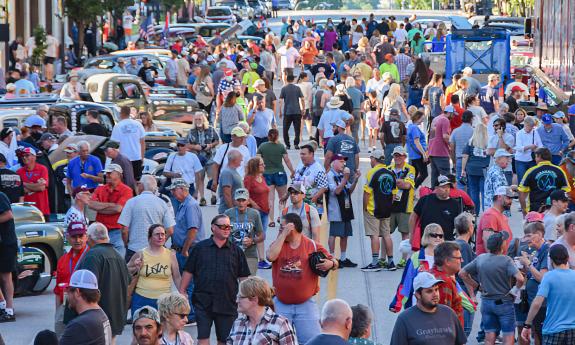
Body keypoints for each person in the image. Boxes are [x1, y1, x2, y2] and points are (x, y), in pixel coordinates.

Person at [179, 214, 251, 345]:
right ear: (213, 228)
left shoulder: (236, 251)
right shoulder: (200, 248)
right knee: (203, 338)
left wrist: (246, 299)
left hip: (228, 303)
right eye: (223, 226)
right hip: (202, 302)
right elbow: (188, 271)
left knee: (224, 340)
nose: (226, 229)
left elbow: (244, 278)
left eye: (229, 227)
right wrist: (182, 292)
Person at [267, 213, 337, 344]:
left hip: (306, 306)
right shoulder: (279, 243)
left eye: (282, 227)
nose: (279, 230)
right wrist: (282, 234)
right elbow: (270, 257)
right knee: (276, 341)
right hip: (280, 304)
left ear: (291, 228)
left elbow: (334, 262)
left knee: (312, 342)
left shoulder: (312, 245)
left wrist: (331, 264)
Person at [459, 232, 525, 345]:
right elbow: (520, 279)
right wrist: (514, 291)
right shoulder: (506, 260)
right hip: (504, 302)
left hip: (486, 302)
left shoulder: (481, 258)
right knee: (508, 335)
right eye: (504, 241)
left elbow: (462, 273)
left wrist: (478, 286)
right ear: (501, 245)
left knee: (489, 335)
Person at [72, 223, 130, 343]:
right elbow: (128, 281)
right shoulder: (118, 256)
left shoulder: (92, 256)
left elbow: (86, 289)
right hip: (115, 318)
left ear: (90, 238)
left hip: (97, 320)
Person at [390, 272, 467, 345]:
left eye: (436, 289)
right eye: (429, 291)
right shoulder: (404, 319)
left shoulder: (449, 313)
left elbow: (460, 342)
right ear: (418, 295)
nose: (435, 294)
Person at [522, 245, 575, 344]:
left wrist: (527, 325)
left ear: (551, 260)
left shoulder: (548, 277)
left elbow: (537, 303)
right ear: (567, 258)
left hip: (553, 329)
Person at [126, 224, 181, 315]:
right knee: (141, 327)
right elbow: (126, 271)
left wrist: (183, 293)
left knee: (161, 328)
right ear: (150, 237)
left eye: (163, 234)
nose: (160, 237)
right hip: (141, 299)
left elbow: (177, 277)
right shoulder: (141, 253)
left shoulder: (170, 255)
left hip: (164, 301)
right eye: (157, 234)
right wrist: (135, 267)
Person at [227, 276, 298, 344]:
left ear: (254, 299)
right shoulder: (237, 323)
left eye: (240, 297)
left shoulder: (280, 323)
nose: (237, 301)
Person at [361, 149, 397, 272]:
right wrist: (388, 206)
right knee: (386, 235)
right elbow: (393, 194)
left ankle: (375, 262)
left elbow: (367, 193)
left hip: (373, 209)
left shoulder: (372, 173)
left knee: (374, 236)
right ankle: (391, 262)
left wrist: (365, 208)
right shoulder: (390, 173)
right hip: (386, 209)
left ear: (373, 159)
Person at [87, 164, 133, 257]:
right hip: (100, 231)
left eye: (110, 173)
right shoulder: (100, 188)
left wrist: (100, 208)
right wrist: (111, 206)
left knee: (118, 261)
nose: (107, 175)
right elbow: (91, 204)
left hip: (117, 231)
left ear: (119, 174)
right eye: (106, 173)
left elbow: (118, 208)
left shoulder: (126, 190)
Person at [54, 222, 89, 336]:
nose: (77, 240)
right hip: (65, 306)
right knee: (61, 337)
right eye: (74, 236)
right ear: (68, 237)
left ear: (86, 237)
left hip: (84, 307)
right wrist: (58, 312)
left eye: (80, 236)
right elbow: (58, 289)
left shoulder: (91, 257)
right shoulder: (63, 260)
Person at [59, 270, 112, 345]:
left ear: (77, 292)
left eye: (68, 291)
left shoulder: (79, 325)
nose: (67, 295)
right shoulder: (101, 314)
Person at [517, 221, 549, 344]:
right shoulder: (536, 251)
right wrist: (525, 265)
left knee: (541, 336)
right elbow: (531, 275)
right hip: (533, 301)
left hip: (542, 304)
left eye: (529, 235)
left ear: (539, 235)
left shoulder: (546, 251)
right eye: (525, 236)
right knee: (536, 333)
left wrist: (528, 263)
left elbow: (542, 278)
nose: (525, 239)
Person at [327, 154, 361, 268]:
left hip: (345, 209)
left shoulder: (342, 175)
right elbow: (336, 191)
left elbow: (349, 190)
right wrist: (346, 178)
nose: (343, 164)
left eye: (344, 161)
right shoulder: (330, 175)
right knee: (334, 234)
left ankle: (343, 258)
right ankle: (331, 258)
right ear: (334, 163)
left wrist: (355, 180)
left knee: (345, 234)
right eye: (341, 161)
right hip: (336, 210)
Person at [258, 129, 295, 228]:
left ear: (268, 136)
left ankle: (270, 220)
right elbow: (287, 160)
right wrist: (292, 171)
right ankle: (280, 216)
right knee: (282, 197)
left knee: (270, 198)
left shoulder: (262, 146)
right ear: (277, 136)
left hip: (266, 174)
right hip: (280, 174)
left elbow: (257, 160)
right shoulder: (281, 146)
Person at [224, 188, 265, 275]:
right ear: (235, 201)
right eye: (239, 200)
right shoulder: (228, 213)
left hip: (250, 255)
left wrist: (252, 241)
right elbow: (222, 233)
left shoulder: (254, 214)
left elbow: (261, 235)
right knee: (231, 284)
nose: (241, 203)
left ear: (248, 201)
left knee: (248, 284)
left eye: (243, 200)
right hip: (232, 254)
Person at [519, 148, 570, 215]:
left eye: (536, 157)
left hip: (535, 211)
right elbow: (566, 191)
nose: (535, 159)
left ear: (539, 156)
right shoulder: (559, 170)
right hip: (554, 211)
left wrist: (524, 210)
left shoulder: (531, 171)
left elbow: (521, 192)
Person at [410, 175, 462, 241]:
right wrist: (411, 234)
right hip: (426, 241)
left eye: (448, 187)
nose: (446, 189)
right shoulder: (425, 200)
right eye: (443, 187)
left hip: (446, 242)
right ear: (436, 188)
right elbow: (413, 216)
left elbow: (459, 224)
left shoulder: (454, 204)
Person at [389, 146, 416, 268]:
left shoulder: (410, 169)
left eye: (400, 155)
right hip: (390, 206)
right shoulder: (388, 169)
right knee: (385, 233)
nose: (398, 158)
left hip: (405, 207)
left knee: (405, 234)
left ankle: (403, 260)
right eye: (396, 155)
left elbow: (407, 186)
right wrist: (399, 183)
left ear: (405, 157)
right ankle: (385, 259)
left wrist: (395, 183)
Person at [243, 158, 272, 270]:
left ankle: (261, 259)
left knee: (261, 235)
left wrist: (268, 203)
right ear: (255, 166)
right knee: (256, 235)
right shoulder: (249, 179)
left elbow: (266, 191)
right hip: (255, 211)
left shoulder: (262, 178)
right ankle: (257, 259)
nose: (264, 165)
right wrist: (253, 204)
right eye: (261, 164)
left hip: (264, 210)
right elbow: (245, 193)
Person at [431, 242, 464, 326]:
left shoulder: (432, 273)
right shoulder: (444, 282)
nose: (462, 261)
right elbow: (444, 314)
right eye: (459, 258)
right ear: (447, 261)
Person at [460, 123, 491, 215]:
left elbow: (465, 156)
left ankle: (475, 212)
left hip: (471, 169)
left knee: (474, 191)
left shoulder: (470, 142)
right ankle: (486, 212)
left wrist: (463, 170)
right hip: (484, 170)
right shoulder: (488, 143)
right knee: (484, 192)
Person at [476, 186, 515, 255]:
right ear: (499, 197)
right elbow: (487, 240)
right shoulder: (490, 215)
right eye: (508, 198)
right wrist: (494, 261)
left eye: (511, 199)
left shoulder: (502, 216)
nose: (510, 201)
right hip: (492, 262)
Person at [292, 142, 329, 215]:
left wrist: (314, 198)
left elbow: (324, 186)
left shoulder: (318, 169)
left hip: (312, 208)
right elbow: (295, 181)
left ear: (311, 154)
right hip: (299, 205)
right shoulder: (301, 166)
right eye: (301, 154)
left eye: (304, 154)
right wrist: (287, 195)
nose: (301, 156)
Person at [111, 105, 146, 180]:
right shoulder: (138, 124)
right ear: (129, 113)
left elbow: (114, 145)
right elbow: (142, 142)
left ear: (121, 113)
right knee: (136, 181)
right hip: (137, 157)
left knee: (123, 181)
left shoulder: (118, 126)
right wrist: (142, 157)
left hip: (123, 159)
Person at [16, 147, 50, 216]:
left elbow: (41, 188)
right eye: (23, 156)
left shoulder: (42, 169)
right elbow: (20, 190)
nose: (24, 157)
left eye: (27, 155)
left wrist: (23, 183)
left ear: (34, 157)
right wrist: (35, 185)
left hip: (41, 209)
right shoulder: (19, 171)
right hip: (25, 210)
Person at [0, 192, 16, 323]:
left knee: (6, 276)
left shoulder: (1, 196)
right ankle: (2, 305)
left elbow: (8, 214)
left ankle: (10, 311)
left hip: (6, 243)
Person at [278, 74, 305, 149]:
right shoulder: (297, 88)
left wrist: (280, 111)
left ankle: (287, 145)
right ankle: (296, 144)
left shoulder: (284, 88)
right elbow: (302, 99)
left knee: (285, 129)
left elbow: (280, 101)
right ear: (293, 80)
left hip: (287, 111)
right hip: (297, 111)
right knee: (297, 128)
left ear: (286, 80)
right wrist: (303, 108)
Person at [428, 108, 452, 187]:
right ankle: (448, 194)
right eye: (452, 114)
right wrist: (451, 145)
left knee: (434, 175)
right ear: (449, 113)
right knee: (446, 175)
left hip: (432, 150)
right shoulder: (445, 120)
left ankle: (433, 193)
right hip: (441, 152)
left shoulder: (436, 119)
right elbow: (445, 136)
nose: (453, 117)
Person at [450, 111, 474, 190]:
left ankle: (461, 201)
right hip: (471, 160)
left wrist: (454, 161)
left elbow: (452, 149)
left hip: (459, 159)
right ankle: (470, 202)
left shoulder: (455, 131)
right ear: (471, 119)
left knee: (460, 184)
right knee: (472, 185)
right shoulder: (474, 131)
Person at [406, 110, 428, 188]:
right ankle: (413, 189)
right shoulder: (414, 128)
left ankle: (409, 191)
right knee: (424, 174)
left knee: (414, 175)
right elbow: (417, 142)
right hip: (418, 155)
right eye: (422, 118)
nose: (422, 120)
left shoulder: (410, 126)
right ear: (417, 117)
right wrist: (424, 154)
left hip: (413, 155)